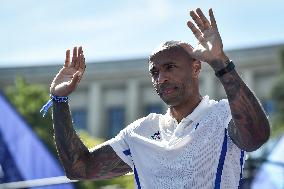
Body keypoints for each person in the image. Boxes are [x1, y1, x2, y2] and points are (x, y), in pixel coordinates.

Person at [48, 8, 270, 188]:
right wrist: (58, 101)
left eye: (170, 67)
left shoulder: (223, 115)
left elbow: (257, 136)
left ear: (195, 68)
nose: (161, 78)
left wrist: (220, 61)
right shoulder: (139, 131)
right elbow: (78, 168)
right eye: (155, 72)